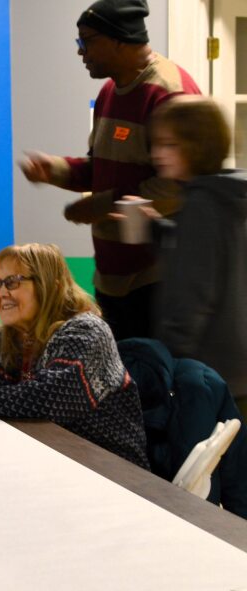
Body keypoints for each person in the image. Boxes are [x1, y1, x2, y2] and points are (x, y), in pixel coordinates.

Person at [20, 0, 200, 341]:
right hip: (111, 277)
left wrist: (103, 205)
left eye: (86, 40)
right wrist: (54, 170)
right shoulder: (108, 92)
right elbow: (101, 168)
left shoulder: (170, 93)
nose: (80, 51)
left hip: (157, 280)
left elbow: (178, 186)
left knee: (154, 385)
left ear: (120, 39)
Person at [0, 243, 149, 468]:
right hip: (48, 460)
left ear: (51, 286)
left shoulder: (87, 330)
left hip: (112, 473)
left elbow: (51, 398)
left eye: (13, 282)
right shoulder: (9, 337)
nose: (1, 293)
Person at [141, 97, 247, 413]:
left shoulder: (201, 208)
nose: (156, 154)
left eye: (169, 144)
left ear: (197, 146)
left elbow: (192, 297)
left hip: (210, 373)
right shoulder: (229, 198)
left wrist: (169, 366)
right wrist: (160, 231)